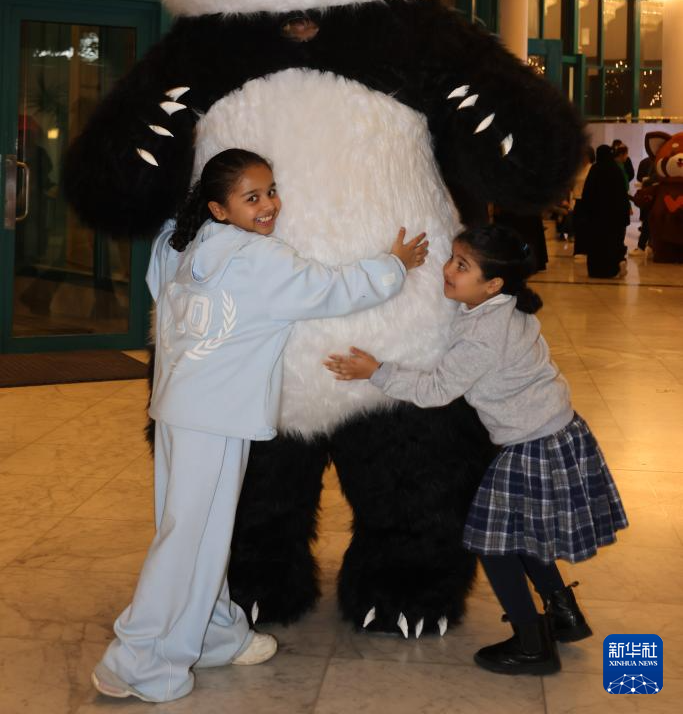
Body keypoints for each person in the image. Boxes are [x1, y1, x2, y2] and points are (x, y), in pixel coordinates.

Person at [92, 148, 428, 703]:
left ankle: (215, 631)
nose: (269, 204)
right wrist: (394, 264)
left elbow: (160, 283)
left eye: (271, 191)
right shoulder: (258, 260)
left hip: (178, 411)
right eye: (252, 197)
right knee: (189, 543)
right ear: (220, 208)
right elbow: (332, 288)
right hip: (214, 420)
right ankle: (139, 662)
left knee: (194, 533)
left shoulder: (181, 245)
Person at [325, 224, 627, 676]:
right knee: (520, 536)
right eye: (452, 258)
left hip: (532, 446)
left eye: (462, 266)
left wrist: (376, 372)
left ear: (493, 284)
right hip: (553, 433)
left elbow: (437, 389)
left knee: (493, 544)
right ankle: (563, 614)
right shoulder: (503, 308)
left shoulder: (484, 333)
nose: (448, 270)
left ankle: (531, 642)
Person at [581, 144, 631, 278]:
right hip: (613, 218)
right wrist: (624, 216)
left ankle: (596, 271)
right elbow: (622, 195)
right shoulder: (616, 170)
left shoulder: (595, 169)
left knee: (596, 244)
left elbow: (587, 193)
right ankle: (612, 269)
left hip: (596, 218)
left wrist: (586, 213)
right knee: (612, 243)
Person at [571, 145, 595, 258]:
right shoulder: (578, 169)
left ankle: (586, 250)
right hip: (577, 199)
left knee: (585, 226)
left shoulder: (592, 168)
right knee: (577, 225)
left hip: (587, 200)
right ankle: (578, 250)